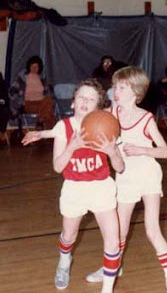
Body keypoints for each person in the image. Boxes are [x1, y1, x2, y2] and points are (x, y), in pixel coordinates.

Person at [86, 66, 167, 293]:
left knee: (152, 231)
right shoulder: (111, 114)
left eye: (121, 87)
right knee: (118, 231)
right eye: (114, 86)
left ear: (134, 91)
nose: (115, 90)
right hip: (125, 176)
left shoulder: (146, 119)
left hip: (148, 175)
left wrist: (142, 149)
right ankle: (113, 267)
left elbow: (165, 152)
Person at [22, 79, 125, 292]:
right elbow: (58, 167)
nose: (85, 101)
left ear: (98, 106)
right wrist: (72, 147)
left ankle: (107, 289)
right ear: (72, 103)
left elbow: (120, 167)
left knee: (113, 241)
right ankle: (64, 261)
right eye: (81, 97)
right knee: (69, 236)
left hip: (101, 187)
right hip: (74, 188)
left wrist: (112, 151)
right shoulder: (64, 127)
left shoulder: (106, 126)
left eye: (91, 99)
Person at [9, 55, 55, 128]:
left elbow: (49, 93)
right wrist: (20, 102)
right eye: (32, 66)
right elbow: (11, 92)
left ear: (39, 68)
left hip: (42, 103)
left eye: (36, 67)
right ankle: (50, 134)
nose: (34, 68)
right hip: (28, 104)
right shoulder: (22, 78)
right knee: (49, 110)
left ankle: (40, 122)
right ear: (29, 67)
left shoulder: (42, 79)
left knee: (48, 102)